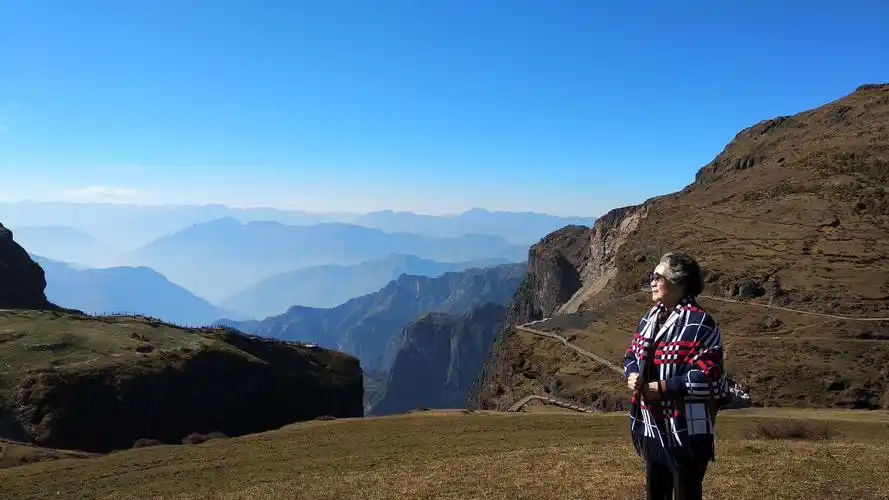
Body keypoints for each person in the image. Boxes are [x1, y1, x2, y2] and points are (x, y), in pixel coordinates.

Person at [623, 252, 730, 500]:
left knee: (686, 493)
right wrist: (632, 375)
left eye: (657, 276)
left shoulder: (701, 323)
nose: (651, 281)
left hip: (686, 431)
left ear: (679, 281)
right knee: (655, 493)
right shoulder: (650, 318)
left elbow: (709, 377)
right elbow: (631, 356)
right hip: (653, 428)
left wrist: (662, 388)